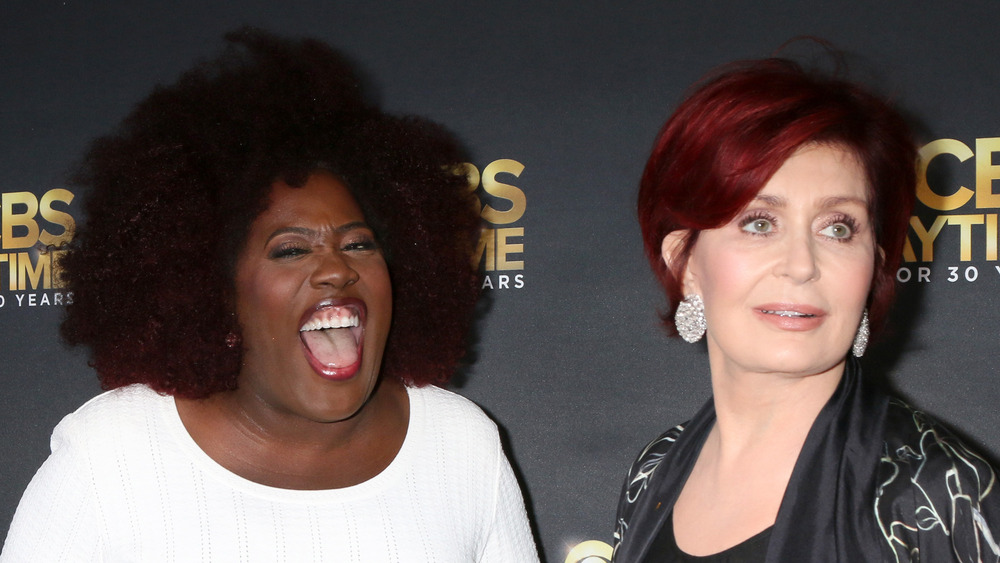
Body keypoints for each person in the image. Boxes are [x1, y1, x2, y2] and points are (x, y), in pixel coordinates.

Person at [2, 28, 538, 562]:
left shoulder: (463, 448)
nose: (336, 269)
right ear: (213, 294)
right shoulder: (111, 459)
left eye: (358, 243)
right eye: (290, 250)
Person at [612, 58, 1000, 562]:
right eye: (759, 223)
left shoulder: (933, 494)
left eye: (838, 228)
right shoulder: (655, 471)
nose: (801, 266)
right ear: (685, 263)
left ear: (874, 267)